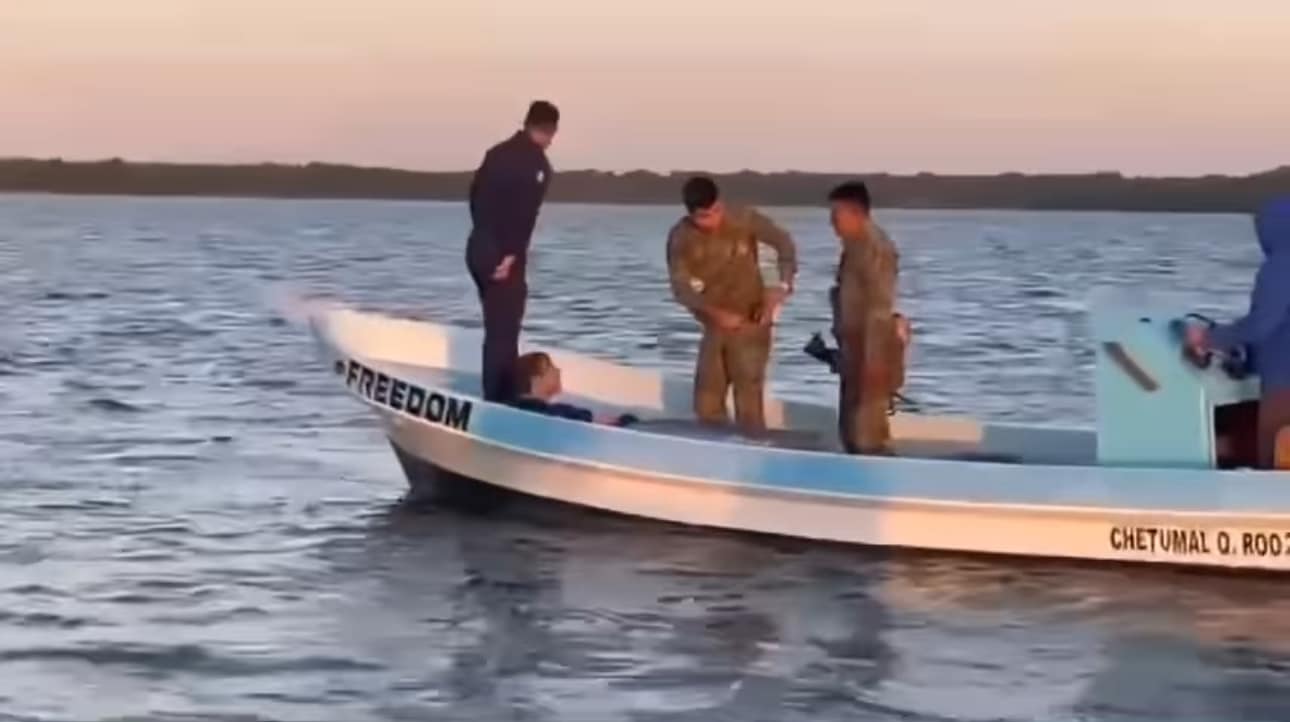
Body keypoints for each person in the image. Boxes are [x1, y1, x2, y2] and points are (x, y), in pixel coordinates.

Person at [665, 175, 798, 432]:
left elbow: (784, 244)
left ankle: (754, 454)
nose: (713, 220)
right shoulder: (681, 237)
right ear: (691, 214)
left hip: (752, 321)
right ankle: (714, 457)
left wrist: (780, 289)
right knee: (706, 401)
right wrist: (714, 314)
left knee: (748, 400)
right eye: (704, 217)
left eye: (716, 211)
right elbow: (681, 289)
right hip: (714, 324)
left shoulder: (744, 218)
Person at [1186, 197, 1290, 469]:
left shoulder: (1281, 265)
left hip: (1283, 386)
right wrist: (1244, 357)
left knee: (1274, 461)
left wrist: (1209, 339)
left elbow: (1262, 323)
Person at [465, 100, 559, 401]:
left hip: (477, 247)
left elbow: (476, 198)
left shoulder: (497, 153)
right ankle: (498, 401)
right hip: (502, 255)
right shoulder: (537, 167)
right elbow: (524, 216)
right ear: (551, 131)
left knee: (496, 327)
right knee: (504, 332)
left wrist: (485, 243)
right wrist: (507, 255)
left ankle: (498, 393)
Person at [827, 180, 902, 455]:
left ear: (857, 214)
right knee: (850, 425)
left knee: (867, 430)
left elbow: (880, 307)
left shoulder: (875, 248)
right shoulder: (854, 246)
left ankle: (874, 482)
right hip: (855, 348)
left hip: (872, 349)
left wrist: (873, 360)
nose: (832, 223)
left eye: (837, 216)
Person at [508, 352, 638, 426]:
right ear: (535, 380)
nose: (558, 370)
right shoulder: (552, 414)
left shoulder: (516, 411)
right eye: (550, 367)